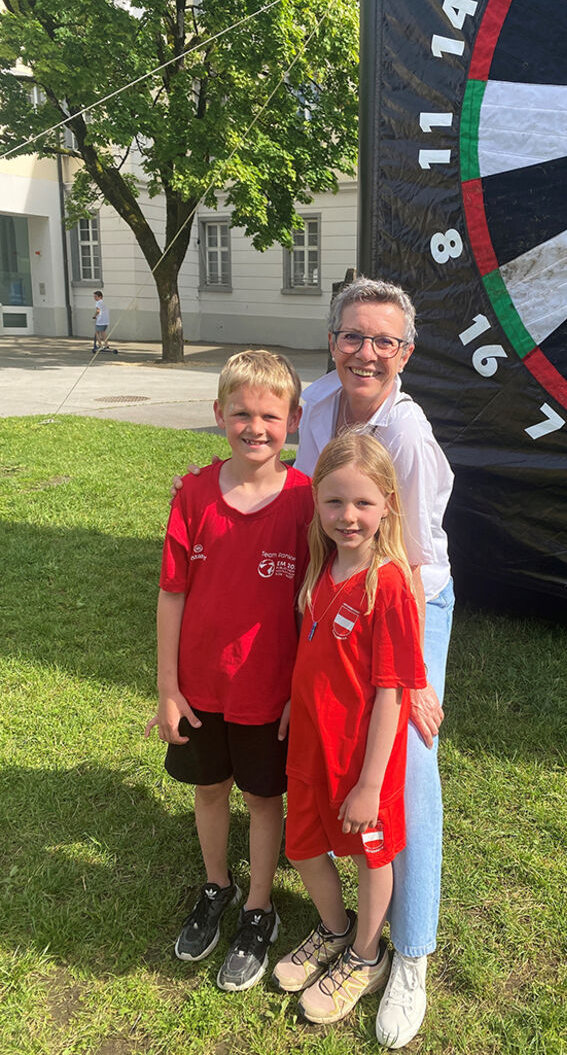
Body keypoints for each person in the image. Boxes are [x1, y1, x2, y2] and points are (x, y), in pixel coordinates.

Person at [172, 278, 453, 1045]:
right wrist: (204, 487)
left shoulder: (408, 433)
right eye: (354, 335)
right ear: (333, 340)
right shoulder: (321, 400)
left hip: (410, 593)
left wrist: (418, 677)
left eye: (384, 340)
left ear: (407, 352)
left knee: (403, 771)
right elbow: (301, 489)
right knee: (327, 767)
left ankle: (405, 954)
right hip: (333, 592)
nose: (367, 352)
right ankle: (339, 930)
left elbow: (414, 556)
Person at [146, 350, 312, 993]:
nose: (255, 426)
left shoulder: (306, 502)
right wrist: (167, 687)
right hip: (200, 690)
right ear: (218, 415)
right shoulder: (192, 494)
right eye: (240, 412)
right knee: (209, 789)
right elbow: (172, 593)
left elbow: (315, 604)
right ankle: (218, 885)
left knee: (263, 800)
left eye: (270, 414)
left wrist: (299, 692)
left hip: (270, 691)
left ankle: (259, 907)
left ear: (292, 419)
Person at [272, 431, 426, 1026]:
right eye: (334, 502)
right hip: (311, 744)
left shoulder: (387, 586)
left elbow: (393, 691)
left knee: (369, 856)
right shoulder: (324, 563)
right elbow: (316, 653)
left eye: (362, 502)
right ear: (317, 503)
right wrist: (294, 700)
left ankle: (367, 955)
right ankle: (334, 931)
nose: (348, 516)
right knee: (303, 844)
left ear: (388, 500)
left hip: (363, 760)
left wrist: (368, 784)